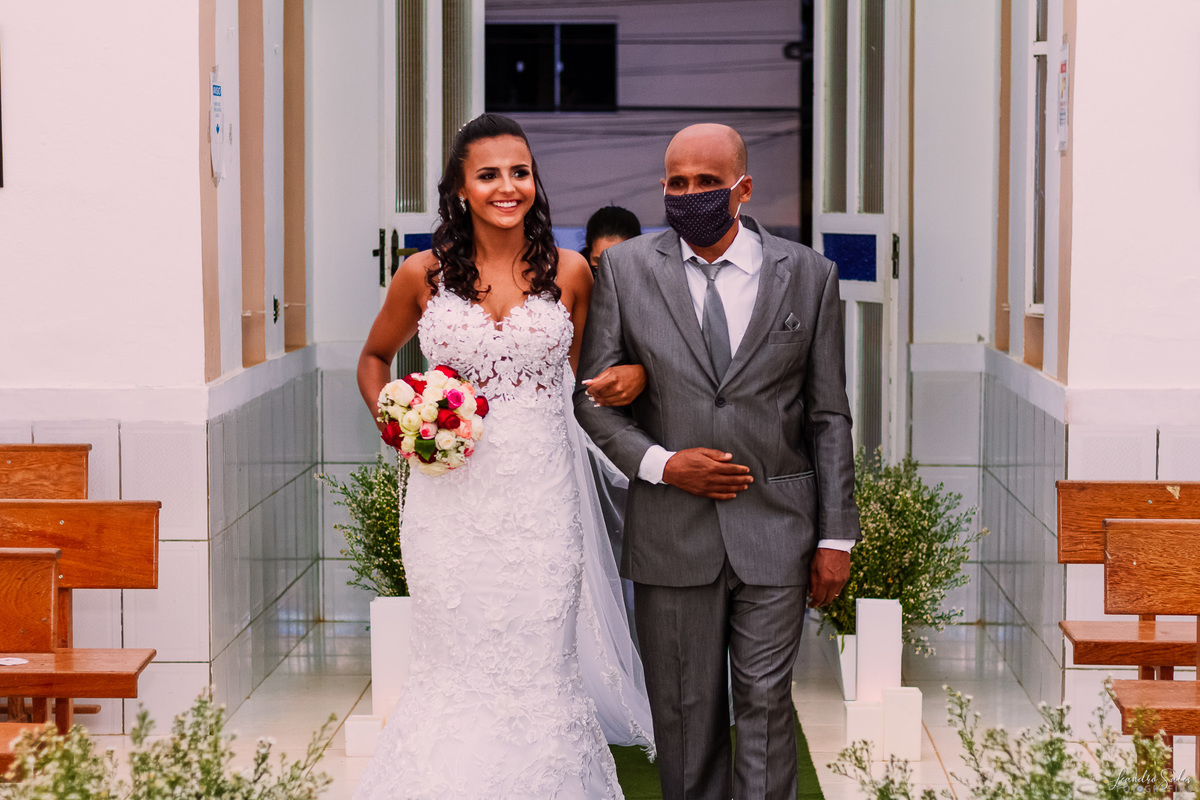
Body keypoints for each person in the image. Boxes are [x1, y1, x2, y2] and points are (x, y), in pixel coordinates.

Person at [354, 113, 654, 799]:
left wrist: (630, 377)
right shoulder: (420, 274)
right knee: (452, 663)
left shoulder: (572, 273)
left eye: (520, 171)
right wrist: (396, 418)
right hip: (448, 501)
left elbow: (592, 379)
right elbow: (374, 358)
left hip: (543, 501)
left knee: (540, 663)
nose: (507, 186)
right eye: (489, 174)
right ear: (461, 188)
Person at [574, 123, 861, 800]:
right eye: (677, 182)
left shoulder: (809, 278)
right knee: (683, 713)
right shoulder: (626, 269)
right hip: (671, 530)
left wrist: (836, 535)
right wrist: (664, 465)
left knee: (763, 703)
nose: (690, 194)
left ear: (743, 188)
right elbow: (595, 401)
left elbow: (829, 414)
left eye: (707, 182)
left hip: (777, 529)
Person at [581, 206, 642, 272]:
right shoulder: (576, 273)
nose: (607, 273)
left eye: (617, 263)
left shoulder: (649, 276)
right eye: (599, 262)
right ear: (588, 248)